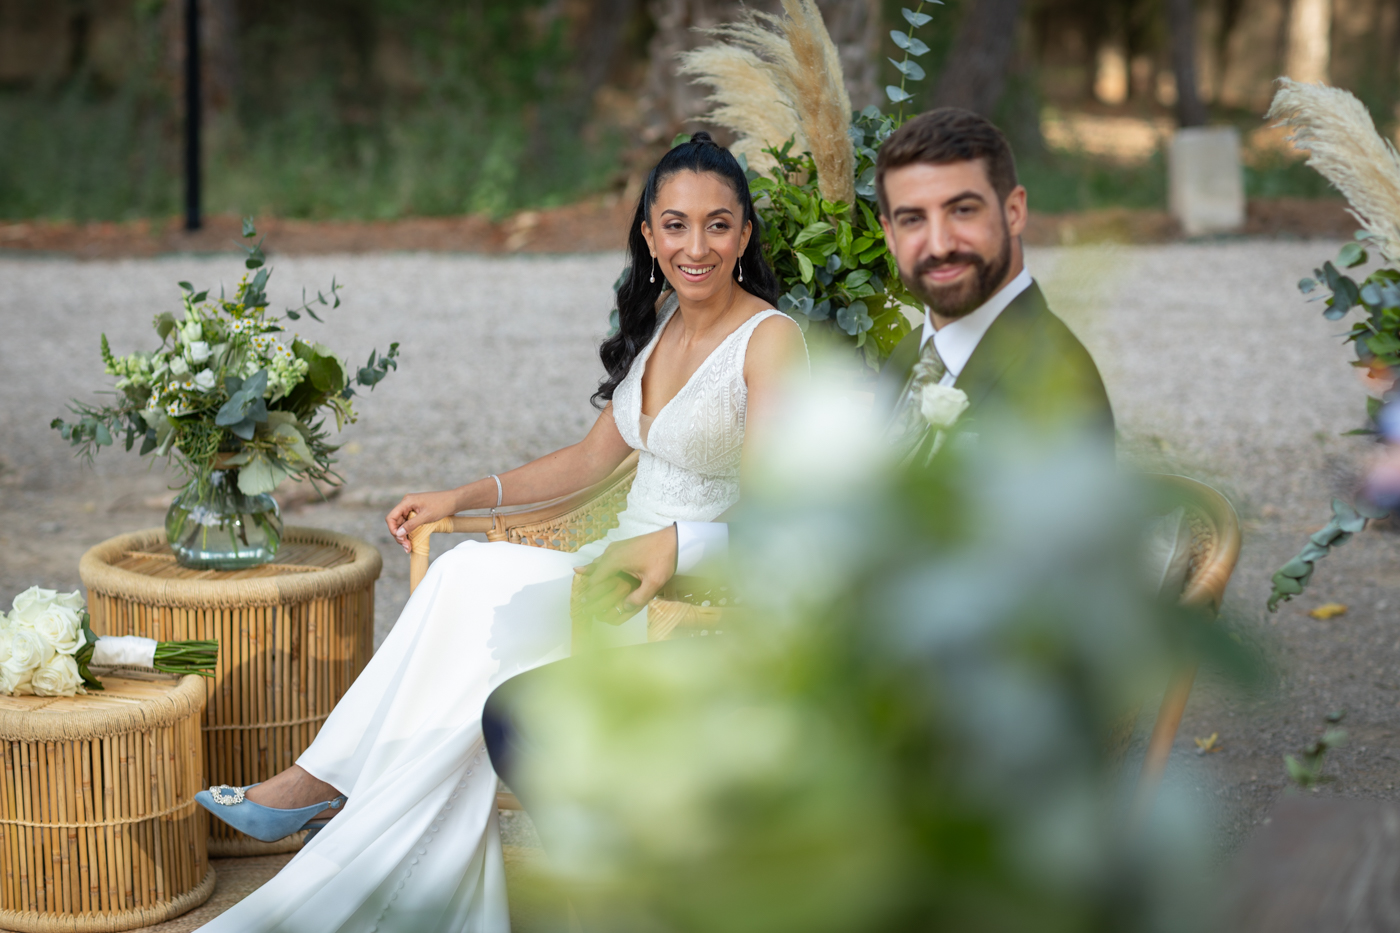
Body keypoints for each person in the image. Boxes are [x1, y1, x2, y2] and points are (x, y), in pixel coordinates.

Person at [193, 131, 806, 933]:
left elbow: (775, 513)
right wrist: (464, 495)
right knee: (464, 582)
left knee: (467, 593)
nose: (698, 247)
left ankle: (328, 788)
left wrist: (673, 552)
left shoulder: (769, 340)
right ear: (649, 236)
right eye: (676, 225)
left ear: (745, 234)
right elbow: (589, 460)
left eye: (718, 225)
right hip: (601, 571)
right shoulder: (664, 323)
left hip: (677, 602)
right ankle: (334, 792)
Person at [482, 107, 1116, 853]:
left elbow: (1025, 612)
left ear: (1014, 211)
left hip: (901, 711)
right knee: (520, 710)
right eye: (912, 218)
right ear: (889, 234)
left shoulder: (1052, 378)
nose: (937, 241)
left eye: (963, 210)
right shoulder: (914, 353)